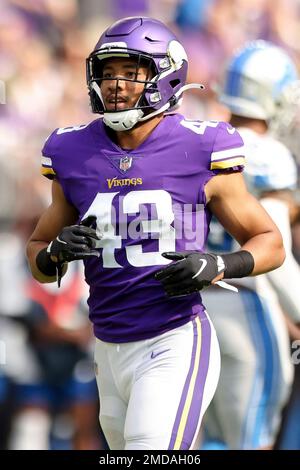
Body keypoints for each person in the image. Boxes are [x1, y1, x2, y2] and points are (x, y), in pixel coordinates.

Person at [26, 18, 285, 451]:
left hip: (174, 337)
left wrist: (220, 265)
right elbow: (37, 256)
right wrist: (53, 254)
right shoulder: (70, 151)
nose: (115, 84)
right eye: (107, 73)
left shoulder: (201, 146)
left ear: (166, 75)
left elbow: (270, 241)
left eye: (130, 72)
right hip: (106, 346)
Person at [201, 40, 300, 450]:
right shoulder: (268, 154)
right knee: (251, 440)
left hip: (188, 307)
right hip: (243, 302)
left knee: (195, 441)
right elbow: (273, 254)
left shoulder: (201, 138)